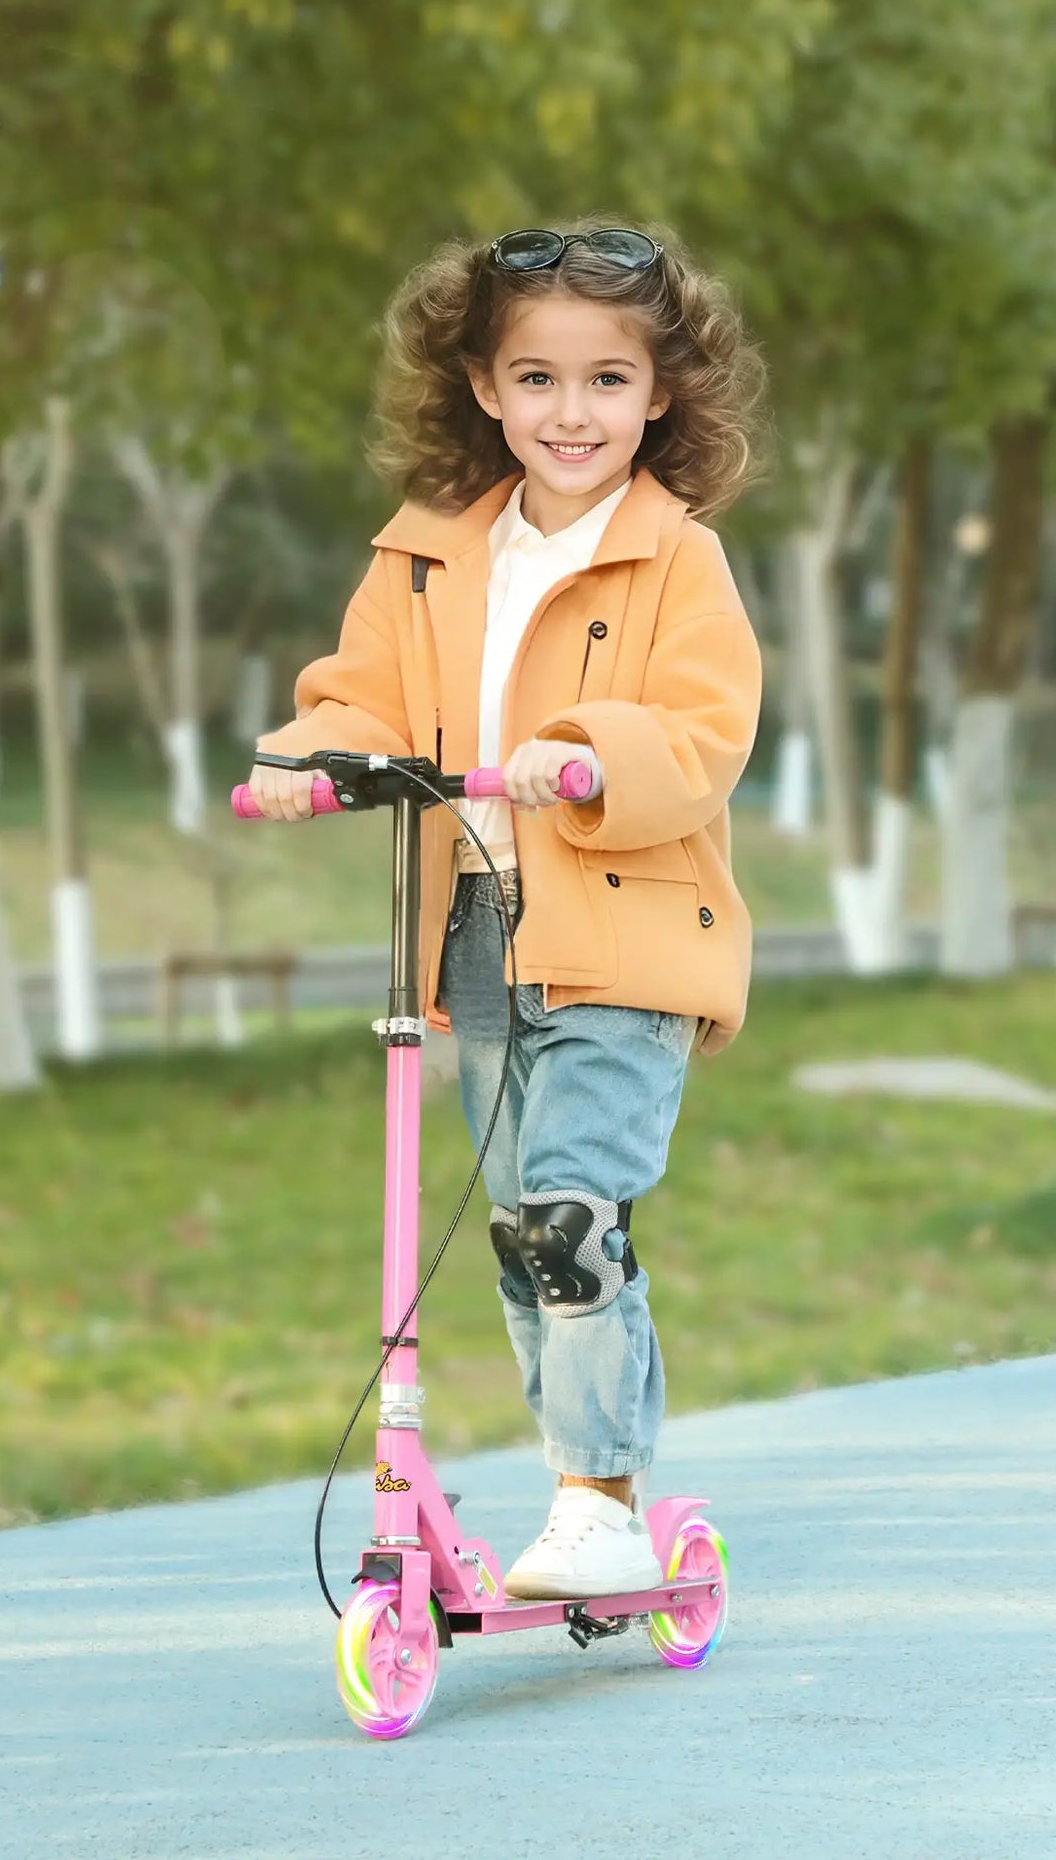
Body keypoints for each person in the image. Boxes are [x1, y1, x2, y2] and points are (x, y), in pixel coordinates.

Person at [248, 221, 765, 1598]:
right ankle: (575, 1474)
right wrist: (308, 758)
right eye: (536, 378)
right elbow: (359, 692)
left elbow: (704, 728)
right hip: (475, 929)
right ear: (481, 386)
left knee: (568, 1215)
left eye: (607, 380)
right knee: (515, 1234)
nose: (570, 411)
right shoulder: (426, 554)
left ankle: (598, 1492)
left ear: (659, 393)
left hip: (625, 932)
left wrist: (591, 747)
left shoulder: (676, 560)